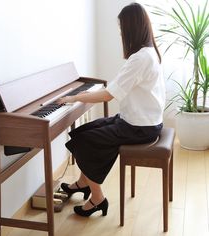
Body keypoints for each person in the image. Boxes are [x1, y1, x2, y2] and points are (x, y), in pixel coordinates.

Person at [57, 2, 165, 217]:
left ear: (130, 27)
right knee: (81, 132)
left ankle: (97, 198)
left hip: (139, 127)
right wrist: (81, 96)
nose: (120, 32)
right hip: (137, 121)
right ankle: (82, 183)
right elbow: (116, 88)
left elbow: (109, 94)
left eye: (121, 27)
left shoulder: (140, 58)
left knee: (85, 141)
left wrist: (75, 97)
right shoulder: (148, 52)